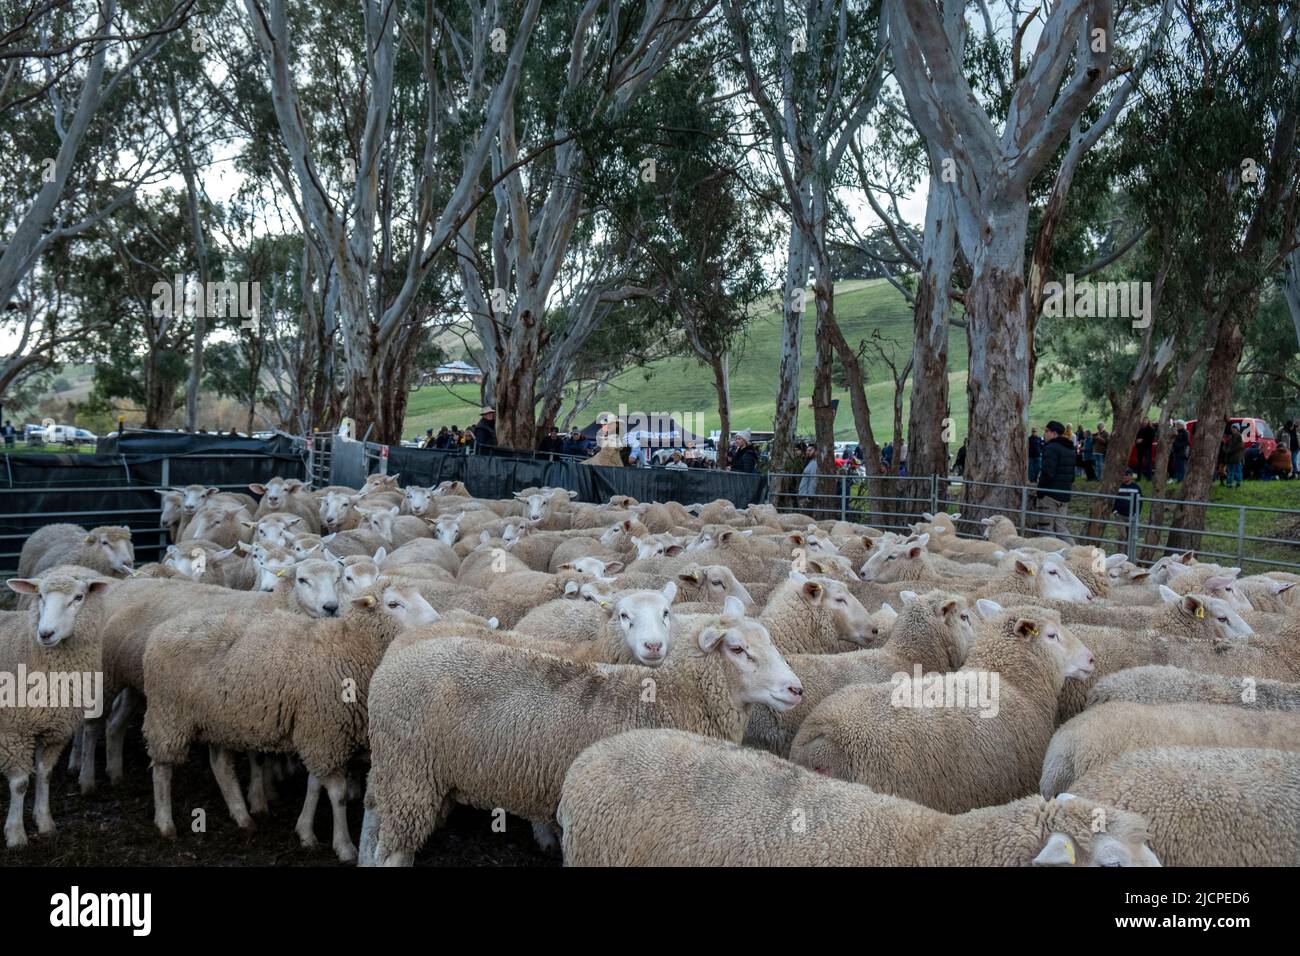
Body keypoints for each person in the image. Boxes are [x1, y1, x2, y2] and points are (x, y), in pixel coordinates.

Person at [1035, 420, 1076, 544]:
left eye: (1046, 431)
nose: (1044, 434)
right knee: (1060, 528)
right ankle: (1074, 551)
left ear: (1054, 433)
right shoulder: (1070, 448)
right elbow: (1072, 475)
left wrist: (1040, 491)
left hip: (1050, 495)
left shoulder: (1051, 448)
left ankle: (1052, 556)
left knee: (1045, 527)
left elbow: (1048, 472)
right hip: (1064, 495)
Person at [1112, 468, 1143, 547]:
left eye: (1126, 475)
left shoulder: (1136, 488)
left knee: (1130, 537)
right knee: (1123, 535)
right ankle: (1120, 554)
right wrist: (1115, 511)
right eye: (1123, 475)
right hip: (1120, 516)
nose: (1124, 477)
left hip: (1132, 516)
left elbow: (1140, 501)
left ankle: (1127, 555)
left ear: (1131, 476)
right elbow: (1113, 499)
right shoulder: (1118, 487)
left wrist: (1137, 513)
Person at [798, 444, 818, 514]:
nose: (807, 452)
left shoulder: (815, 463)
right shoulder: (810, 462)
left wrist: (810, 497)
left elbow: (813, 480)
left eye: (810, 450)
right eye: (807, 450)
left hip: (806, 497)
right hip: (803, 495)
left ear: (816, 452)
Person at [1223, 422, 1245, 488]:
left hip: (1237, 457)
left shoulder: (1239, 436)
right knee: (1230, 471)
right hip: (1230, 458)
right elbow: (1226, 445)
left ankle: (1239, 483)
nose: (1233, 429)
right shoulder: (1230, 437)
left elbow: (1239, 446)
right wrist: (1225, 450)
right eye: (1232, 428)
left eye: (1235, 428)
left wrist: (1228, 451)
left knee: (1237, 471)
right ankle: (1229, 483)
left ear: (1238, 429)